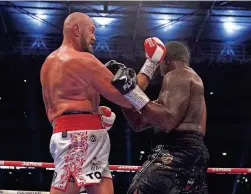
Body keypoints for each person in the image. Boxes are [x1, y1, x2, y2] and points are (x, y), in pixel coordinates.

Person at [40, 12, 134, 194]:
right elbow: (127, 100)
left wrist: (94, 114)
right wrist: (150, 66)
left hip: (69, 134)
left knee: (103, 187)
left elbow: (56, 110)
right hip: (81, 139)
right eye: (91, 30)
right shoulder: (83, 59)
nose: (94, 37)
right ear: (77, 29)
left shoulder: (47, 64)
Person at [110, 40, 210, 194]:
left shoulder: (178, 75)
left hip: (175, 151)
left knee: (137, 191)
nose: (160, 70)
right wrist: (126, 95)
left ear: (166, 61)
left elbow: (167, 121)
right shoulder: (188, 85)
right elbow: (138, 123)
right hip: (194, 155)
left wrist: (131, 91)